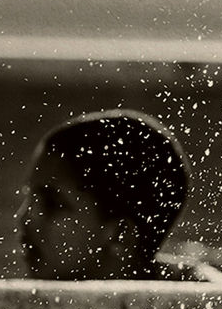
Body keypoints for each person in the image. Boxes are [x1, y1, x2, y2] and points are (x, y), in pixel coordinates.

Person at [18, 109, 191, 280]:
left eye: (52, 204)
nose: (25, 217)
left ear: (121, 235)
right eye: (30, 197)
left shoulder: (203, 299)